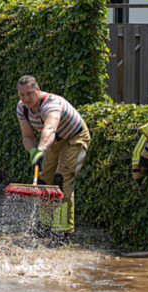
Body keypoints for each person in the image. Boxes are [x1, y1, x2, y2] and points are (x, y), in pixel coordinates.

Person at [16, 75, 90, 246]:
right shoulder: (22, 108)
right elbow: (27, 136)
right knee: (44, 182)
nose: (26, 98)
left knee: (61, 181)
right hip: (52, 142)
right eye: (22, 95)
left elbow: (50, 128)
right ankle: (45, 226)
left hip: (74, 137)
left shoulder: (51, 103)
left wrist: (42, 149)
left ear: (37, 89)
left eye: (29, 93)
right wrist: (33, 151)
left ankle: (61, 234)